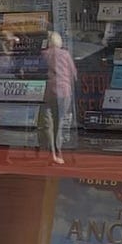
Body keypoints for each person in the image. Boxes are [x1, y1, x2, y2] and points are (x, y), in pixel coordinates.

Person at [38, 31, 77, 164]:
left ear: (49, 42)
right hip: (64, 93)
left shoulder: (44, 54)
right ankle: (58, 152)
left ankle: (51, 153)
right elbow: (73, 73)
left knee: (48, 124)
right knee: (58, 123)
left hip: (49, 92)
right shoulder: (65, 54)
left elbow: (39, 71)